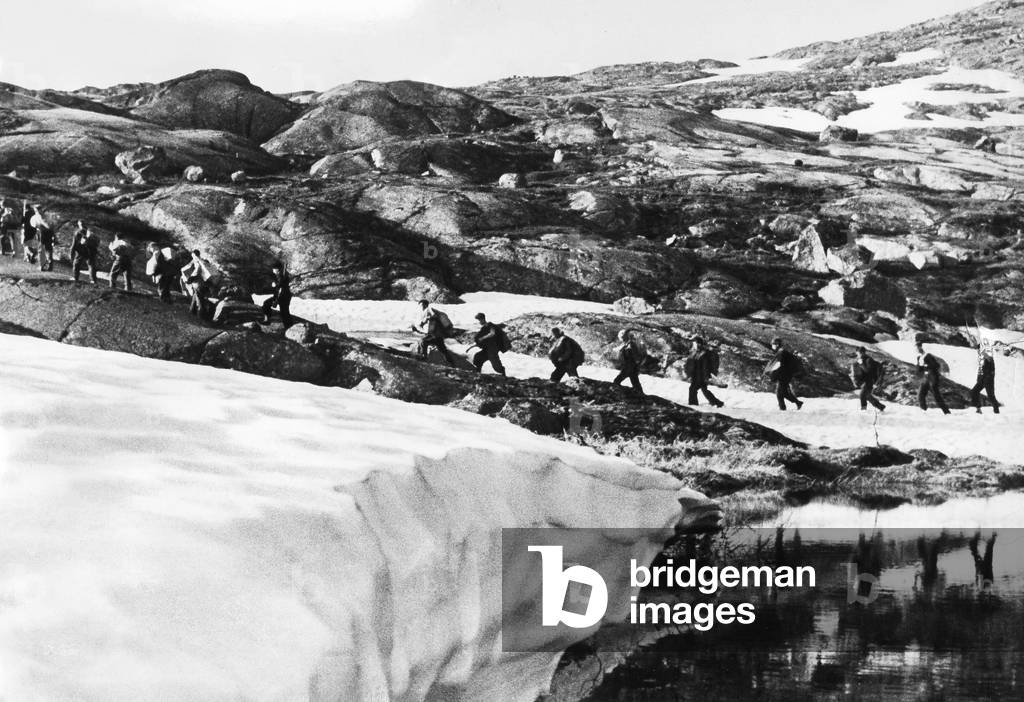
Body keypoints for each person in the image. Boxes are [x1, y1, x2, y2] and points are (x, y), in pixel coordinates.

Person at [411, 299, 455, 366]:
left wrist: (424, 321)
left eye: (421, 305)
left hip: (434, 334)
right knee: (443, 350)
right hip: (438, 335)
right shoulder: (427, 311)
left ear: (425, 305)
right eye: (420, 306)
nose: (420, 307)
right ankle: (451, 363)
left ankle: (424, 357)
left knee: (423, 341)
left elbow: (434, 316)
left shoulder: (429, 309)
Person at [685, 336, 724, 407]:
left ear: (699, 344)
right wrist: (689, 374)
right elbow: (690, 364)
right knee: (704, 390)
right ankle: (718, 403)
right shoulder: (695, 352)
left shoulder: (704, 354)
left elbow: (705, 366)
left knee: (693, 389)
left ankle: (693, 405)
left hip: (701, 376)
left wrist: (706, 377)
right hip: (696, 375)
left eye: (694, 343)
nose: (693, 344)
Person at [767, 337, 803, 411]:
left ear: (777, 344)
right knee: (783, 392)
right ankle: (797, 403)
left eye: (773, 344)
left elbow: (780, 364)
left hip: (785, 375)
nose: (772, 346)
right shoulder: (781, 352)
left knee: (779, 393)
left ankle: (782, 408)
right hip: (785, 375)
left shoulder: (781, 352)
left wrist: (773, 373)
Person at [915, 340, 950, 414]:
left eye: (917, 347)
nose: (916, 349)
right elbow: (920, 370)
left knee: (937, 396)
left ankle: (946, 412)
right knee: (920, 394)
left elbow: (937, 365)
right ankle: (923, 410)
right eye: (915, 348)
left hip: (933, 378)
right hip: (925, 378)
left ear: (921, 347)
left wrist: (926, 365)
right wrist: (918, 365)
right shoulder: (919, 357)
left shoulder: (928, 356)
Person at [180, 249, 217, 319]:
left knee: (200, 302)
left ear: (194, 255)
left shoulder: (199, 263)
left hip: (199, 285)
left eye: (192, 256)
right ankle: (191, 312)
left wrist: (189, 280)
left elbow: (195, 273)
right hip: (206, 284)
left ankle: (201, 317)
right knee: (195, 298)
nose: (192, 257)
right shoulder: (205, 262)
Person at [850, 347, 886, 411]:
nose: (858, 354)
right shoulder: (862, 359)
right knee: (867, 396)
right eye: (857, 353)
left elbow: (868, 371)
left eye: (858, 353)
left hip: (869, 381)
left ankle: (863, 410)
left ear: (862, 353)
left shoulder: (868, 360)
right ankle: (880, 406)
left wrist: (861, 364)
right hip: (864, 381)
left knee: (862, 395)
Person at [970, 338, 1000, 414]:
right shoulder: (985, 357)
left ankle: (996, 412)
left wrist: (979, 348)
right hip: (983, 379)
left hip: (989, 379)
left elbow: (987, 357)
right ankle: (978, 409)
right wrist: (977, 345)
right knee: (974, 392)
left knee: (991, 396)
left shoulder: (990, 358)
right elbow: (981, 352)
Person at [261, 261, 293, 327]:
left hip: (284, 296)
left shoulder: (283, 276)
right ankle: (267, 320)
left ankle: (289, 327)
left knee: (284, 312)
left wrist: (276, 301)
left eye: (274, 269)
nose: (273, 270)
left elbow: (281, 290)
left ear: (277, 269)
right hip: (280, 295)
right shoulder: (279, 276)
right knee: (266, 304)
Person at [612, 329, 644, 395]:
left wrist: (636, 366)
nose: (620, 339)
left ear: (623, 337)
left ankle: (619, 396)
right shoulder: (627, 344)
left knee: (616, 382)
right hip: (631, 368)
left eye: (621, 337)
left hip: (629, 368)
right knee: (636, 385)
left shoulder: (630, 344)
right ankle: (641, 397)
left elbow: (636, 357)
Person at [31, 206, 55, 272]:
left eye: (37, 210)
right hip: (48, 233)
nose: (37, 211)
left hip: (42, 233)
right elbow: (52, 225)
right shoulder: (47, 216)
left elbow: (34, 225)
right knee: (48, 249)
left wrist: (42, 226)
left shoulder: (38, 216)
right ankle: (50, 266)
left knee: (42, 249)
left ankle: (42, 266)